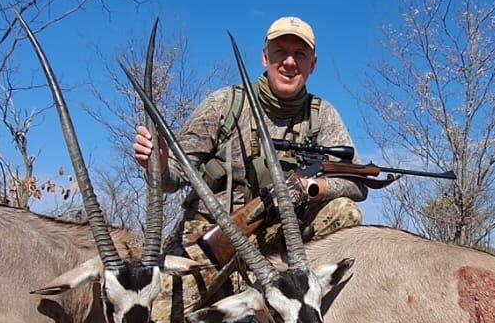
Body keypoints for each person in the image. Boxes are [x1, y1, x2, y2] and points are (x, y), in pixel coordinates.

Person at [133, 16, 373, 267]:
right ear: (265, 57)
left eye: (300, 54)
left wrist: (311, 187)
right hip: (210, 232)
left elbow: (357, 186)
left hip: (281, 237)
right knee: (158, 305)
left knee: (345, 212)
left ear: (312, 64)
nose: (289, 62)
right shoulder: (224, 104)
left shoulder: (323, 115)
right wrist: (158, 163)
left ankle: (306, 294)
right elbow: (172, 178)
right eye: (280, 52)